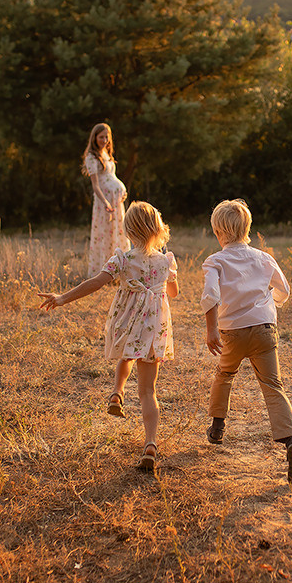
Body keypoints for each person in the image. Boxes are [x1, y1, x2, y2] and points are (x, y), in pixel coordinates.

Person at [39, 201, 178, 471]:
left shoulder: (123, 259)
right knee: (149, 391)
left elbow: (96, 282)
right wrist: (162, 280)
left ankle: (117, 392)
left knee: (126, 355)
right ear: (158, 229)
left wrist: (63, 298)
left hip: (128, 324)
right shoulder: (166, 261)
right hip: (154, 328)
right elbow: (173, 293)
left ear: (128, 230)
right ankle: (150, 443)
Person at [200, 199, 292, 485]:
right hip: (264, 330)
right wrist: (267, 304)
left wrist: (212, 330)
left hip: (232, 333)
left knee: (224, 375)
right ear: (247, 228)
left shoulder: (215, 261)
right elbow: (284, 290)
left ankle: (217, 427)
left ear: (217, 232)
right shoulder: (263, 258)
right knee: (273, 385)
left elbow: (210, 296)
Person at [83, 122, 129, 275]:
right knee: (106, 234)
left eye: (106, 137)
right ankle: (105, 272)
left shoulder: (107, 154)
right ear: (94, 138)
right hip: (105, 202)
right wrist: (106, 202)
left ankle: (119, 270)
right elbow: (96, 185)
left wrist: (122, 191)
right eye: (100, 137)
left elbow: (112, 177)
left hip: (116, 201)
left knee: (117, 232)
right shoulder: (92, 157)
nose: (103, 140)